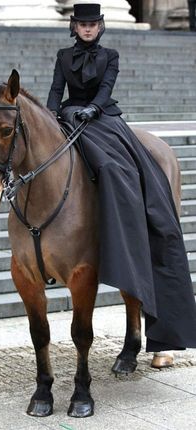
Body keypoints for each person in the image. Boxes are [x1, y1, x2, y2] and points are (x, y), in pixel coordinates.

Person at [47, 3, 196, 367]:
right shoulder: (64, 55)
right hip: (69, 116)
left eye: (92, 24)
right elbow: (55, 90)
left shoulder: (110, 55)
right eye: (81, 24)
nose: (86, 29)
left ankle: (127, 214)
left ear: (100, 26)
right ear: (74, 26)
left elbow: (105, 90)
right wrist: (51, 116)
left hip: (102, 118)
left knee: (113, 167)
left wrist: (93, 110)